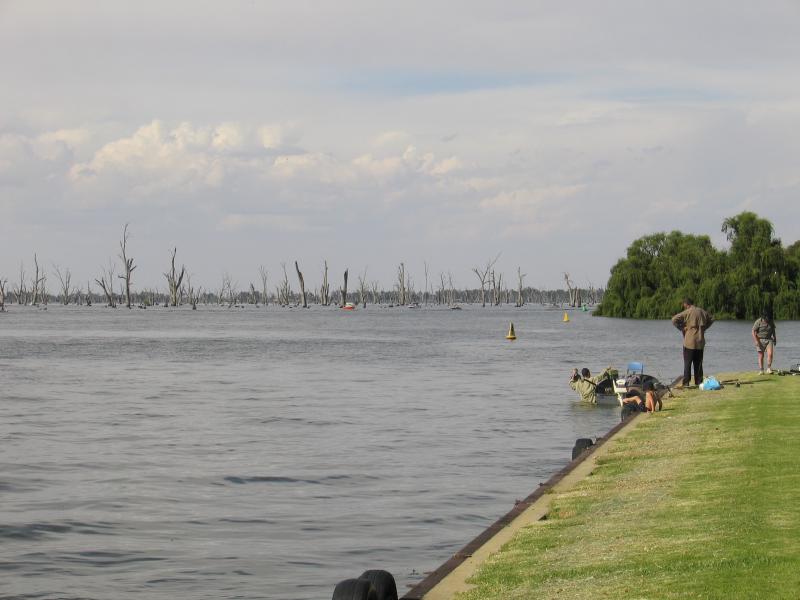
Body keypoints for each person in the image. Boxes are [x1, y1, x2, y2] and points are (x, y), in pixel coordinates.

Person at [671, 297, 714, 387]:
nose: (684, 307)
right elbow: (712, 318)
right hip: (700, 341)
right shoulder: (702, 311)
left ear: (687, 304)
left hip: (689, 342)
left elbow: (674, 319)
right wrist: (705, 327)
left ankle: (686, 383)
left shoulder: (688, 311)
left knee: (687, 363)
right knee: (698, 363)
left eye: (684, 305)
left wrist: (682, 328)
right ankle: (699, 382)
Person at [752, 309, 777, 375]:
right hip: (760, 340)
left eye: (769, 317)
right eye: (767, 317)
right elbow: (753, 331)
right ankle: (761, 370)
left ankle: (769, 368)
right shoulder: (758, 321)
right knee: (761, 355)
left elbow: (773, 330)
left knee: (770, 354)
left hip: (769, 339)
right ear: (764, 316)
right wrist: (756, 341)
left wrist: (775, 338)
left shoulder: (771, 321)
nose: (768, 318)